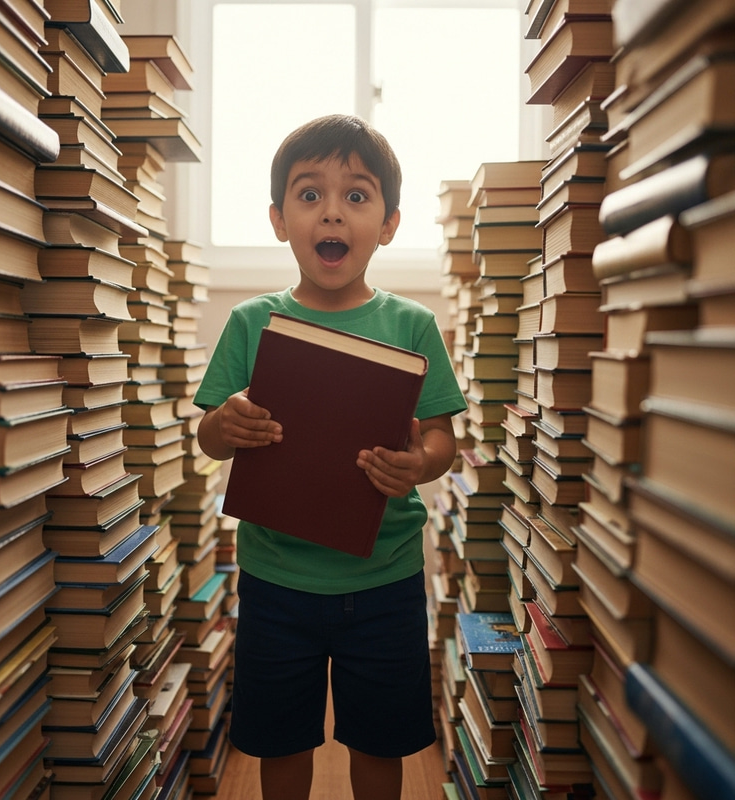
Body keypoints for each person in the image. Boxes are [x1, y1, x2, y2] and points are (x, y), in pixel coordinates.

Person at [194, 114, 467, 800]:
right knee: (280, 738)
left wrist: (419, 463)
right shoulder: (251, 322)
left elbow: (441, 440)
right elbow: (209, 437)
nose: (331, 212)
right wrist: (228, 424)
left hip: (385, 577)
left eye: (356, 195)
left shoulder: (412, 326)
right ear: (279, 219)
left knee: (381, 738)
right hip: (275, 576)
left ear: (389, 223)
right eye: (309, 194)